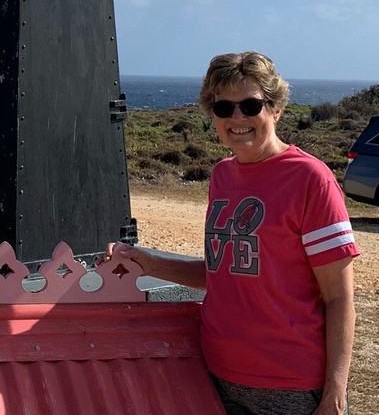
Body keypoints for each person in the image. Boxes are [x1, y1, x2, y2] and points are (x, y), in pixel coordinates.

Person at [106, 52, 358, 415]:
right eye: (223, 108)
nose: (237, 118)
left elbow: (339, 297)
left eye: (250, 105)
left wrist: (335, 390)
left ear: (276, 109)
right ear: (212, 115)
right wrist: (145, 263)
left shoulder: (310, 179)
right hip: (220, 375)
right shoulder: (222, 176)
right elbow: (223, 274)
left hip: (293, 386)